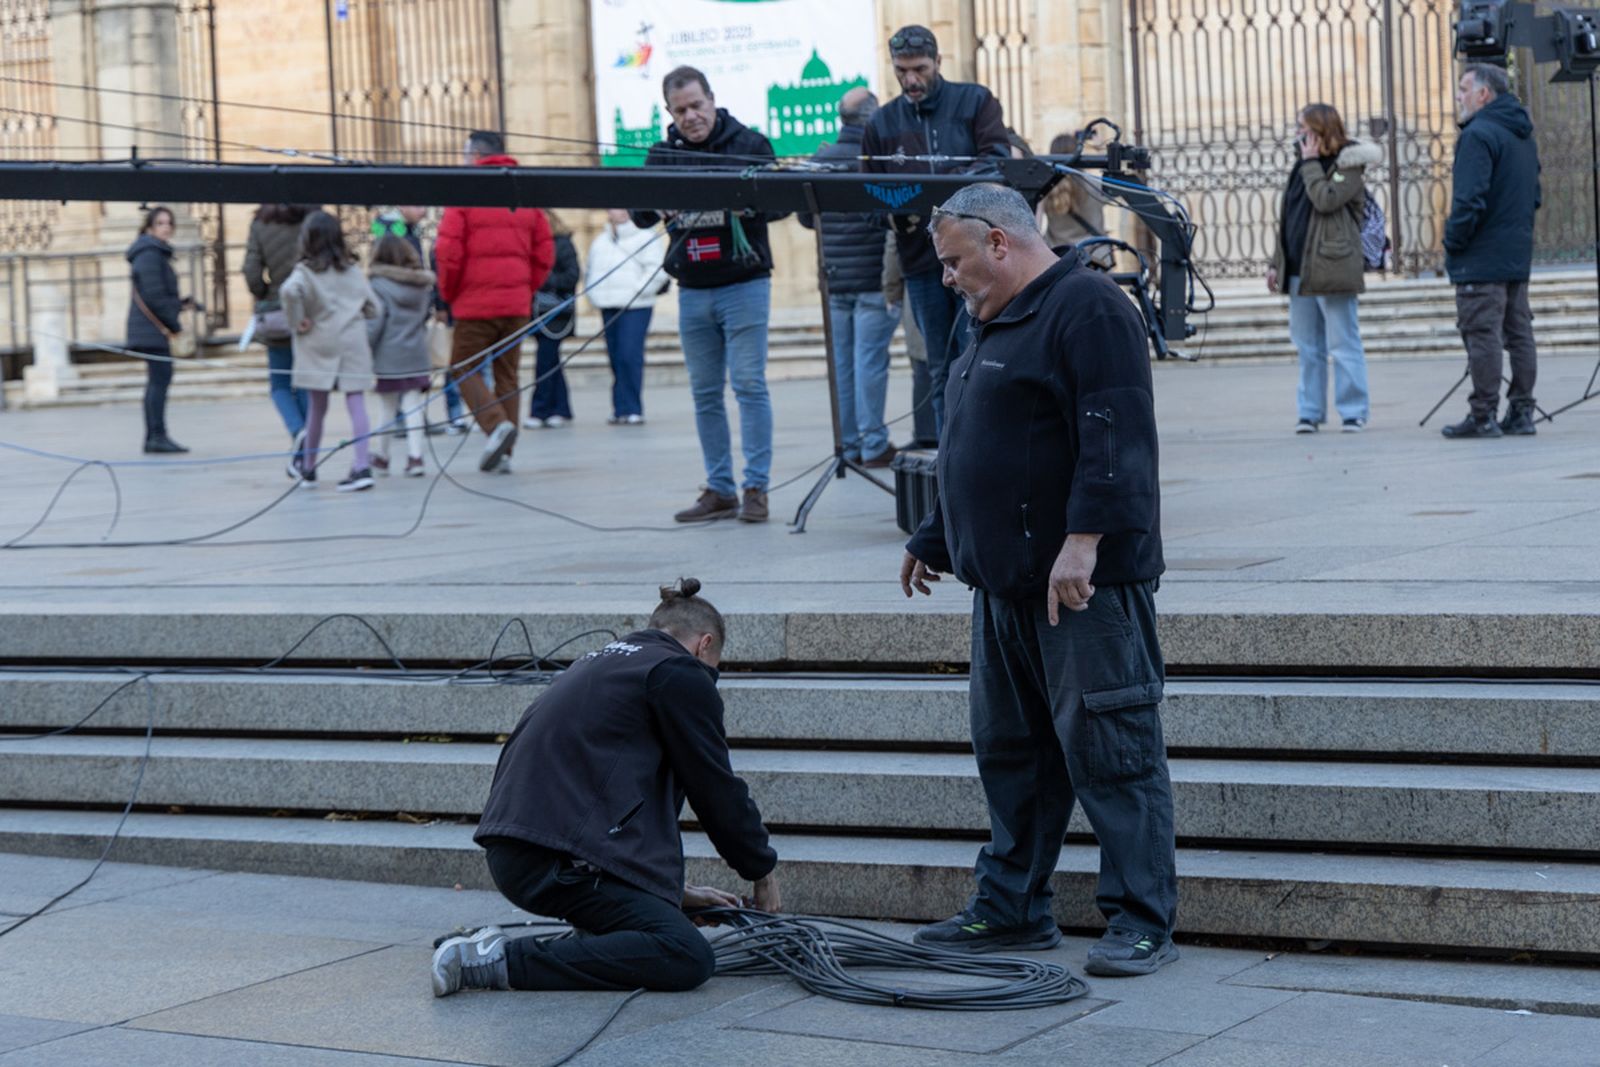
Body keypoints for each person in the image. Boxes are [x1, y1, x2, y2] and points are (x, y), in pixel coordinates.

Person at [898, 184, 1177, 977]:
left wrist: (1084, 539)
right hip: (1004, 589)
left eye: (953, 261)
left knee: (1112, 753)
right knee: (1011, 753)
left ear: (999, 242)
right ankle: (1013, 907)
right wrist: (937, 533)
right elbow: (967, 434)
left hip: (1082, 588)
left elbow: (1115, 432)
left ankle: (1142, 920)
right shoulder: (983, 316)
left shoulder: (1088, 306)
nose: (946, 277)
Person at [433, 579, 781, 996]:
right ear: (704, 645)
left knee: (659, 930)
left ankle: (485, 950)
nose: (710, 683)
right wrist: (760, 870)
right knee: (685, 954)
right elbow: (714, 785)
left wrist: (672, 894)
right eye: (714, 672)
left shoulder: (601, 663)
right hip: (555, 858)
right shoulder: (679, 672)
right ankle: (496, 961)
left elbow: (599, 790)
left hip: (527, 846)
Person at [633, 66, 785, 524]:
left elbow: (783, 202)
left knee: (749, 384)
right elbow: (639, 213)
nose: (691, 116)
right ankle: (720, 489)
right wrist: (658, 204)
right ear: (669, 112)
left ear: (712, 99)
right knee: (704, 393)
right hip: (693, 289)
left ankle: (755, 487)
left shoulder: (750, 144)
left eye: (697, 105)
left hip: (745, 283)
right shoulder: (662, 155)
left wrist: (749, 201)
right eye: (680, 110)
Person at [862, 25, 1009, 436]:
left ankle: (987, 450)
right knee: (939, 366)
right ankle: (952, 458)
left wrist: (939, 191)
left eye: (919, 69)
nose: (910, 80)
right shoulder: (881, 122)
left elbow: (997, 162)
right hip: (921, 263)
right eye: (901, 70)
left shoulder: (975, 101)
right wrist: (897, 211)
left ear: (938, 63)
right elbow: (865, 196)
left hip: (976, 260)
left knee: (978, 356)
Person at [434, 130, 555, 473]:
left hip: (474, 304)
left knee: (462, 366)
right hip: (516, 305)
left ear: (475, 156)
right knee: (508, 375)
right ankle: (505, 453)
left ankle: (494, 425)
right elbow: (545, 251)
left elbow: (447, 253)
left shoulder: (464, 193)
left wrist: (449, 294)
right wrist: (524, 288)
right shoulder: (522, 192)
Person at [1440, 62, 1542, 439]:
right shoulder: (1522, 135)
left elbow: (1469, 201)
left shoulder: (1478, 134)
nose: (1459, 97)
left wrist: (1453, 240)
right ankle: (1521, 412)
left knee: (1483, 334)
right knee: (1518, 335)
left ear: (1484, 94)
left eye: (1464, 89)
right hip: (1515, 254)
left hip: (1481, 258)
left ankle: (1483, 414)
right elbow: (1534, 196)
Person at [798, 87, 898, 469]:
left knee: (842, 364)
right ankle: (874, 444)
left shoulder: (820, 159)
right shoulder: (877, 160)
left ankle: (849, 444)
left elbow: (807, 217)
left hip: (834, 277)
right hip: (872, 276)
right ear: (872, 118)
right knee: (870, 362)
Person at [1267, 104, 1380, 434]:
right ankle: (1310, 412)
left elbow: (1327, 199)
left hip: (1334, 266)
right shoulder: (1301, 166)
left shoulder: (1349, 163)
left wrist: (1312, 164)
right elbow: (1290, 217)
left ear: (1320, 129)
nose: (1298, 133)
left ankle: (1353, 410)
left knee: (1343, 343)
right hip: (1299, 267)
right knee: (1307, 346)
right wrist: (1277, 263)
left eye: (1303, 127)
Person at [279, 210, 380, 492]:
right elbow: (375, 307)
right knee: (356, 401)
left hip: (318, 340)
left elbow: (289, 292)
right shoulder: (352, 270)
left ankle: (308, 467)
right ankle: (362, 466)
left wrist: (297, 320)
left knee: (317, 407)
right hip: (352, 340)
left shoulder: (305, 271)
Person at [586, 208, 667, 425]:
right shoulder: (600, 241)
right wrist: (595, 296)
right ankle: (619, 408)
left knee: (629, 355)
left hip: (636, 306)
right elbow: (591, 271)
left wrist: (637, 291)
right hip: (608, 305)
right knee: (614, 356)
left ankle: (632, 407)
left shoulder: (646, 236)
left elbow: (656, 270)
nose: (619, 212)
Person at [244, 203, 312, 454]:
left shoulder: (261, 223)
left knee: (280, 384)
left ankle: (298, 430)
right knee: (305, 379)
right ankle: (309, 441)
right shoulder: (311, 218)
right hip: (309, 308)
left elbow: (251, 269)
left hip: (277, 311)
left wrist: (265, 294)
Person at [365, 234, 435, 478]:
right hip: (416, 350)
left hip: (388, 353)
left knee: (387, 407)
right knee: (413, 405)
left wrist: (367, 348)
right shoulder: (421, 285)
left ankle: (382, 456)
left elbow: (375, 321)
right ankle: (416, 457)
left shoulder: (377, 284)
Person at [125, 206, 193, 454]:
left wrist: (181, 304)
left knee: (158, 380)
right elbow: (154, 296)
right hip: (152, 330)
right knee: (159, 381)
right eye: (161, 223)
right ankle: (155, 435)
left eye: (169, 223)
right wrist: (175, 326)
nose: (166, 227)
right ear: (150, 227)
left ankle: (156, 434)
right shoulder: (149, 254)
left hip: (151, 329)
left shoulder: (152, 253)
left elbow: (158, 294)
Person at [525, 212, 580, 429]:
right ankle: (561, 408)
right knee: (552, 360)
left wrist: (545, 280)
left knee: (545, 360)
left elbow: (573, 275)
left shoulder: (563, 244)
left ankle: (540, 410)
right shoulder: (530, 244)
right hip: (535, 311)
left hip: (556, 313)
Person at [882, 233, 935, 448]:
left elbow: (894, 245)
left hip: (919, 279)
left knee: (923, 365)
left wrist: (891, 289)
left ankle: (927, 435)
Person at [1038, 133, 1115, 270]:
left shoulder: (1045, 190)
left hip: (1059, 260)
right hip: (1095, 260)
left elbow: (1035, 226)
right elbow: (1116, 186)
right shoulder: (1092, 186)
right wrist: (1101, 152)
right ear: (1078, 156)